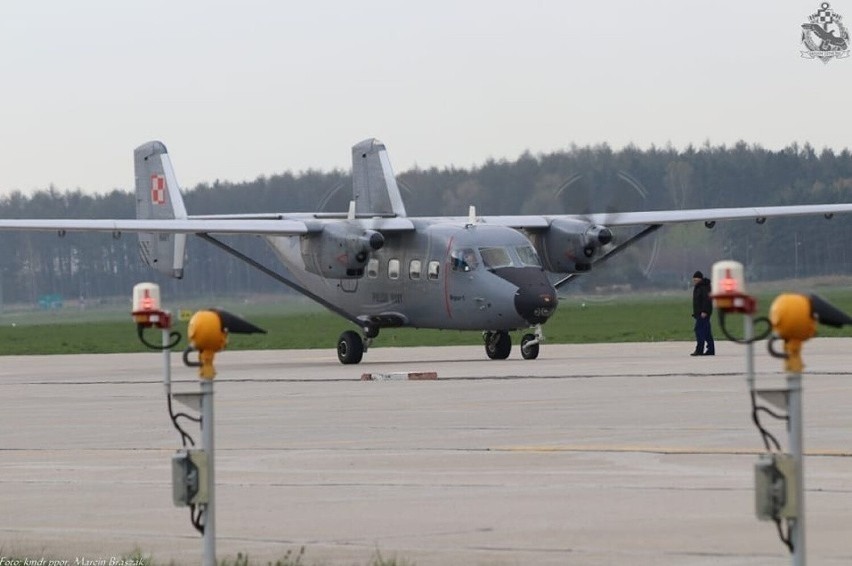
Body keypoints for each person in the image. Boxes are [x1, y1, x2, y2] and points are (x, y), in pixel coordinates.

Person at [691, 270, 715, 356]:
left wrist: (704, 311)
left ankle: (699, 349)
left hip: (703, 313)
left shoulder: (703, 287)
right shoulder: (699, 287)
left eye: (696, 280)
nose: (694, 282)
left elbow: (706, 300)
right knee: (706, 331)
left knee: (699, 330)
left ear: (699, 279)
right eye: (694, 280)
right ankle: (710, 349)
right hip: (700, 313)